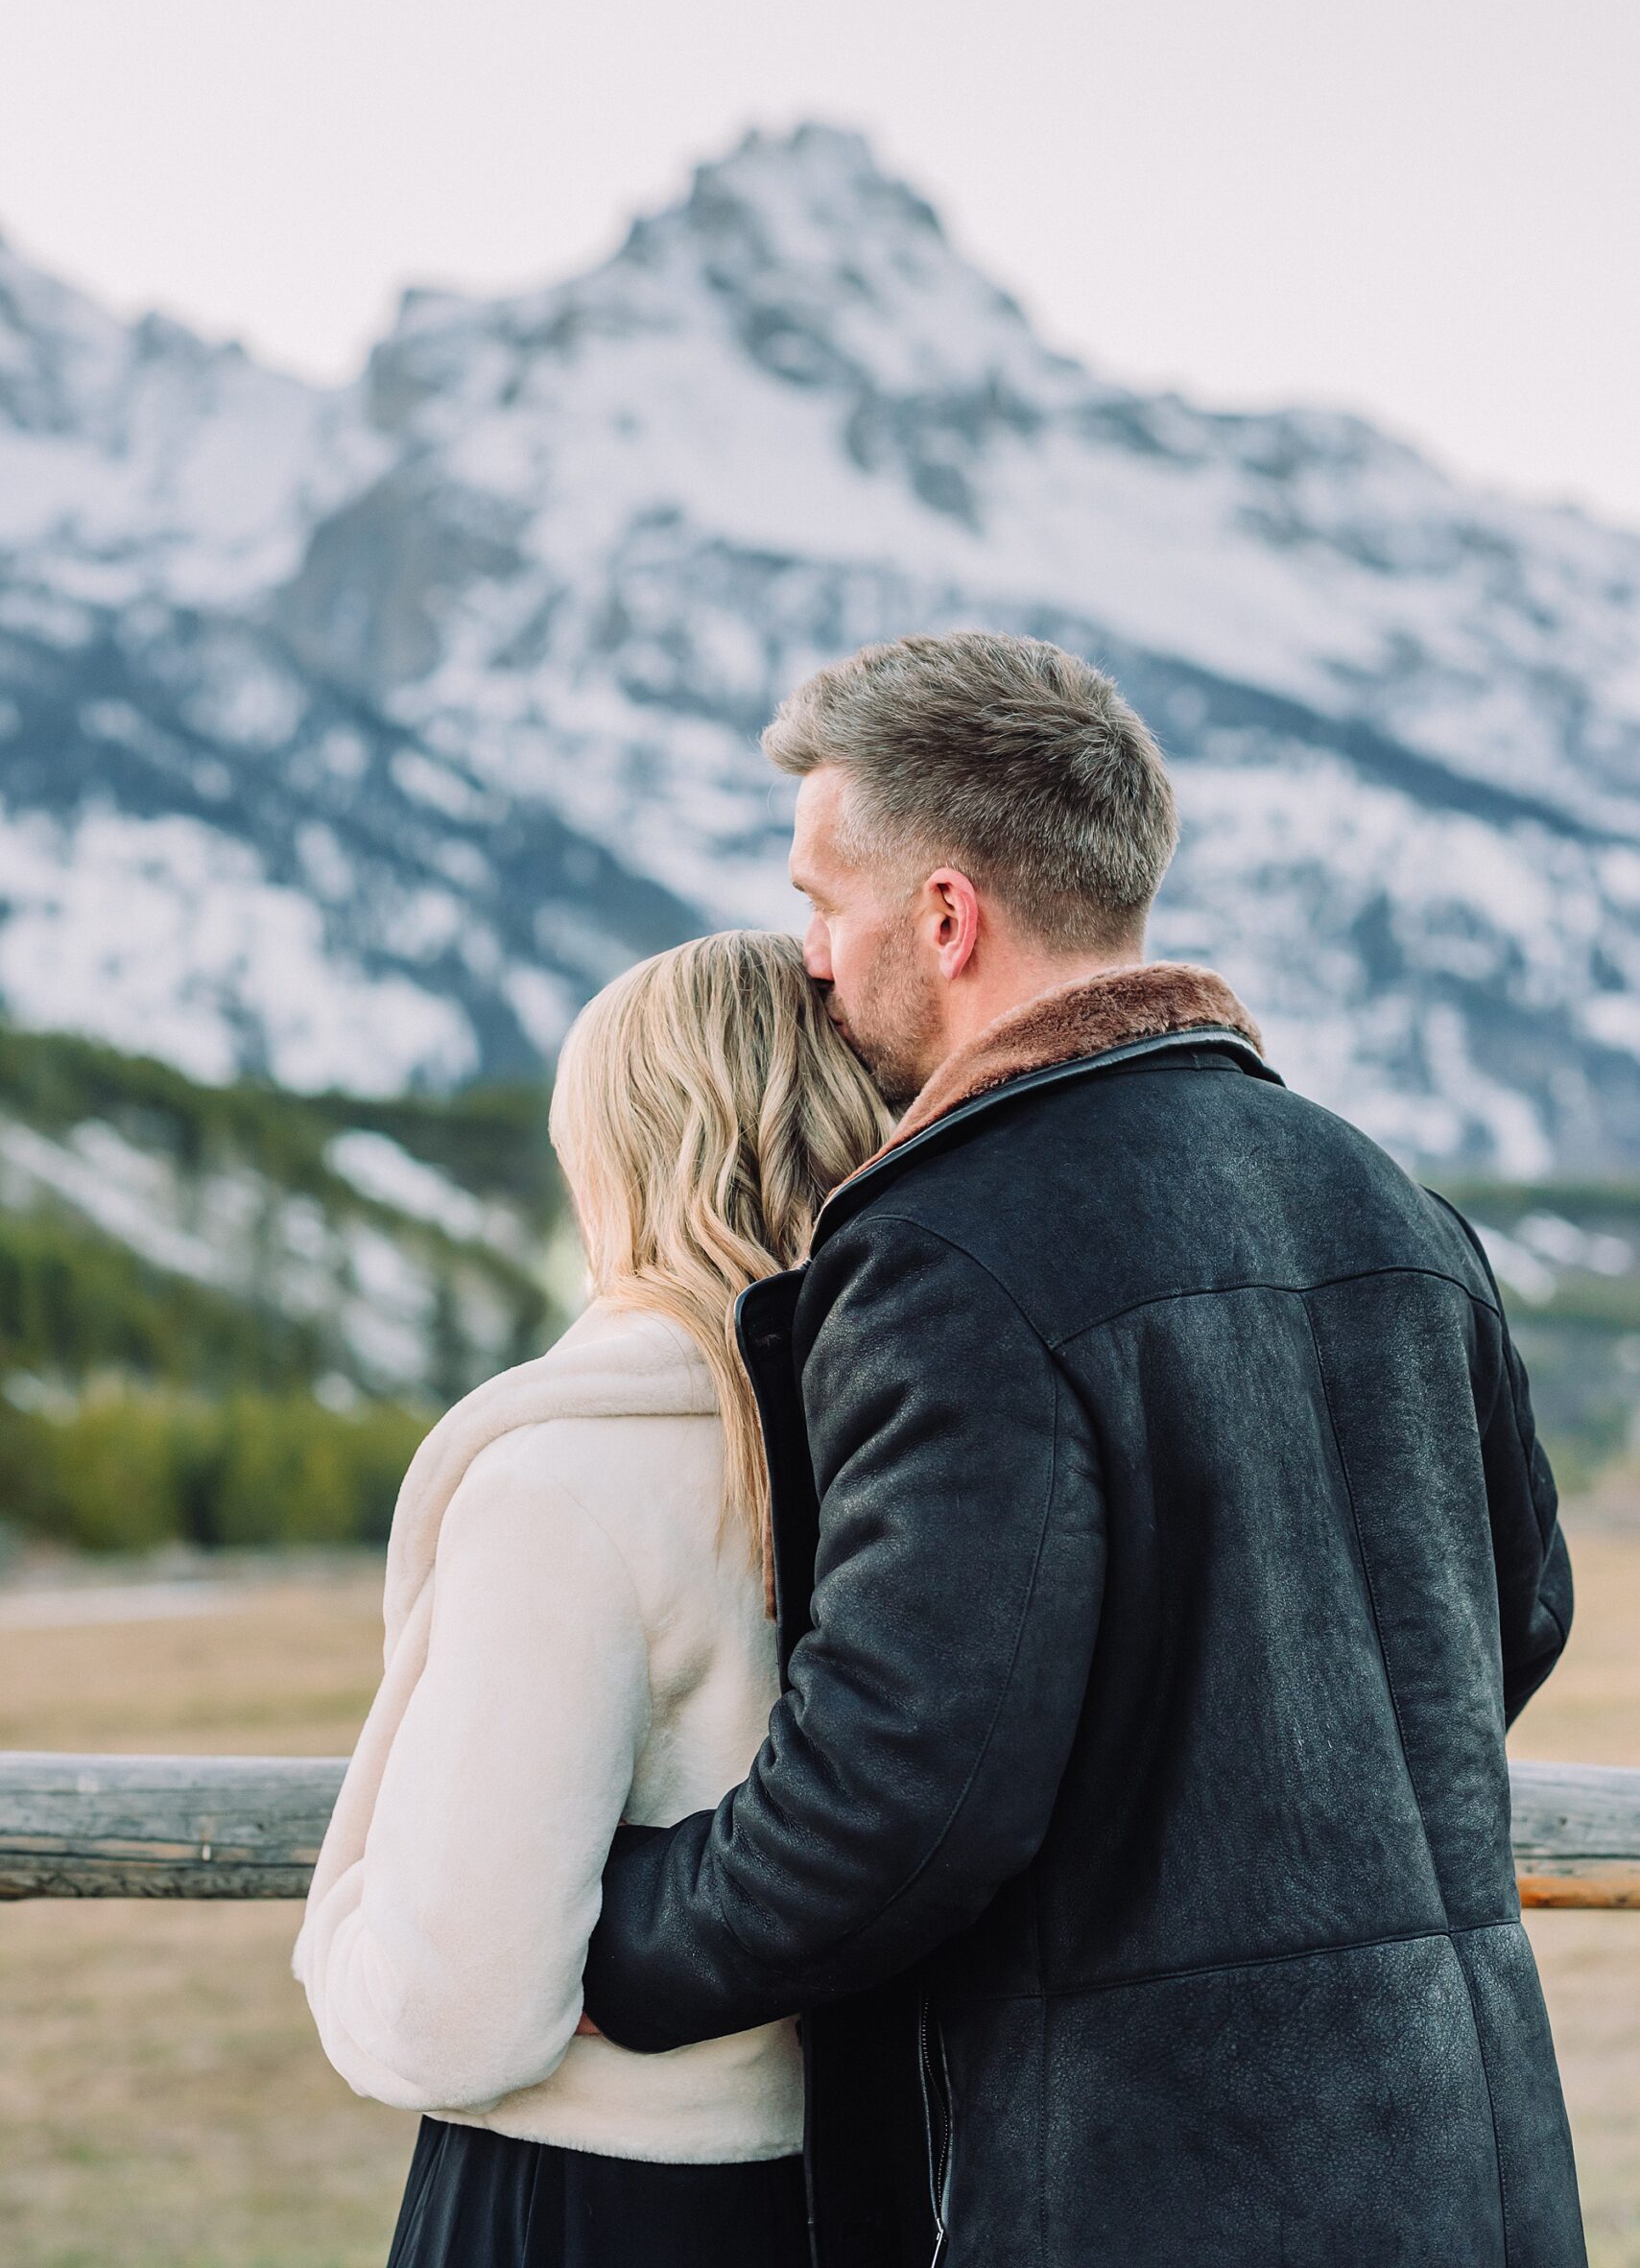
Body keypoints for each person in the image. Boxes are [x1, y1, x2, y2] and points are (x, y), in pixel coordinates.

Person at [582, 629, 1586, 2268]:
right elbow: (1505, 1622)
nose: (811, 962)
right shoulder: (1385, 1198)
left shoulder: (946, 1253)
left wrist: (592, 1929)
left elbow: (893, 1806)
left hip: (1145, 2183)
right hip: (1468, 2165)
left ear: (946, 916)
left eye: (819, 904)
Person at [293, 933, 890, 2268]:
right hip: (852, 2188)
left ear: (615, 1157)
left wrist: (341, 1941)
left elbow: (460, 2008)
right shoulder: (914, 1438)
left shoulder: (565, 1479)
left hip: (576, 2196)